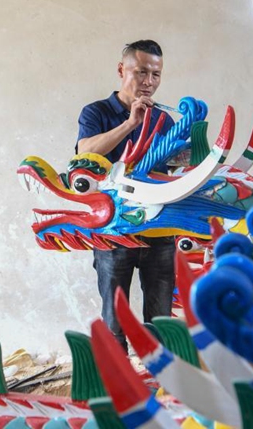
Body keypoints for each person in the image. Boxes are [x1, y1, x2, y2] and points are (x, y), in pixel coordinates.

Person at [76, 39, 176, 352]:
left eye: (156, 75)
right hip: (112, 233)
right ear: (122, 70)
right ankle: (118, 392)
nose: (149, 82)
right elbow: (85, 152)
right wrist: (131, 122)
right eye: (141, 72)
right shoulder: (96, 112)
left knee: (161, 322)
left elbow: (173, 172)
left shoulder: (165, 120)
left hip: (159, 231)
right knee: (114, 319)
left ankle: (162, 389)